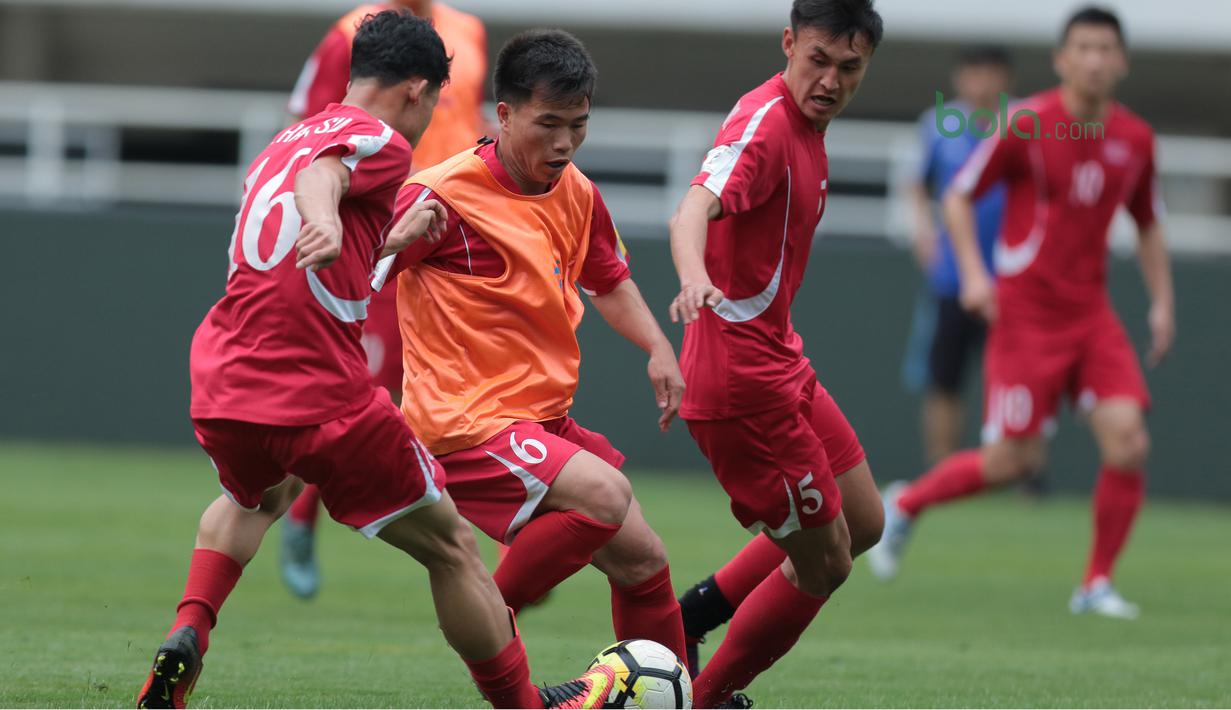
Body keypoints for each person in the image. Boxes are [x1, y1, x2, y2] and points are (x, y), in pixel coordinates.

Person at [136, 12, 600, 709]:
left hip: (224, 378)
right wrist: (325, 213)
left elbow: (319, 221)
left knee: (254, 498)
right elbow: (328, 178)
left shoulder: (283, 142)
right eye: (436, 103)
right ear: (418, 91)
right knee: (453, 551)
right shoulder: (378, 139)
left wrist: (385, 235)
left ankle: (187, 629)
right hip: (316, 390)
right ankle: (524, 706)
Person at [375, 28, 689, 664]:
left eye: (578, 124)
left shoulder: (577, 191)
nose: (565, 142)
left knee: (643, 559)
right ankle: (482, 612)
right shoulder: (442, 195)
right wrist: (382, 243)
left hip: (537, 419)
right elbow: (356, 266)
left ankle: (683, 696)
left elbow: (609, 280)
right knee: (607, 496)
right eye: (549, 123)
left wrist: (659, 348)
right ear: (505, 114)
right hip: (463, 425)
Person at [869, 6, 1175, 621]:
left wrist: (1163, 301)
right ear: (1062, 59)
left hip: (1092, 317)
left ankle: (1094, 585)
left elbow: (1146, 223)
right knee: (1013, 463)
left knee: (1129, 443)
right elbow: (957, 197)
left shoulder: (1136, 139)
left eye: (1105, 48)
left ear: (1122, 62)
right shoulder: (1028, 122)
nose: (1094, 59)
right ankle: (905, 503)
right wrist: (976, 276)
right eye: (1082, 47)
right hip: (1027, 317)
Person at [666, 1, 885, 706]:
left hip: (779, 360)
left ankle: (689, 617)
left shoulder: (806, 124)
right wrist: (694, 277)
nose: (828, 80)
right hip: (741, 387)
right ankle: (703, 700)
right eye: (816, 60)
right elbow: (692, 207)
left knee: (865, 522)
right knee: (826, 565)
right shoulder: (765, 125)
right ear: (788, 43)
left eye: (847, 68)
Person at [281, 0, 490, 599]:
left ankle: (514, 513)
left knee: (445, 383)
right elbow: (309, 131)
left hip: (453, 228)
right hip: (379, 228)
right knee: (364, 388)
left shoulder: (467, 32)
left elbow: (472, 121)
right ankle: (294, 511)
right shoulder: (351, 33)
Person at [902, 47, 1013, 465]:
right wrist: (923, 234)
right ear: (960, 79)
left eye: (991, 73)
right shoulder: (937, 124)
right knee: (943, 380)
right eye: (973, 73)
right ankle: (941, 471)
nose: (982, 83)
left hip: (1012, 279)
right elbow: (916, 184)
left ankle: (1016, 472)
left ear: (1006, 79)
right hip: (951, 278)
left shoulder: (1024, 123)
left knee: (1015, 381)